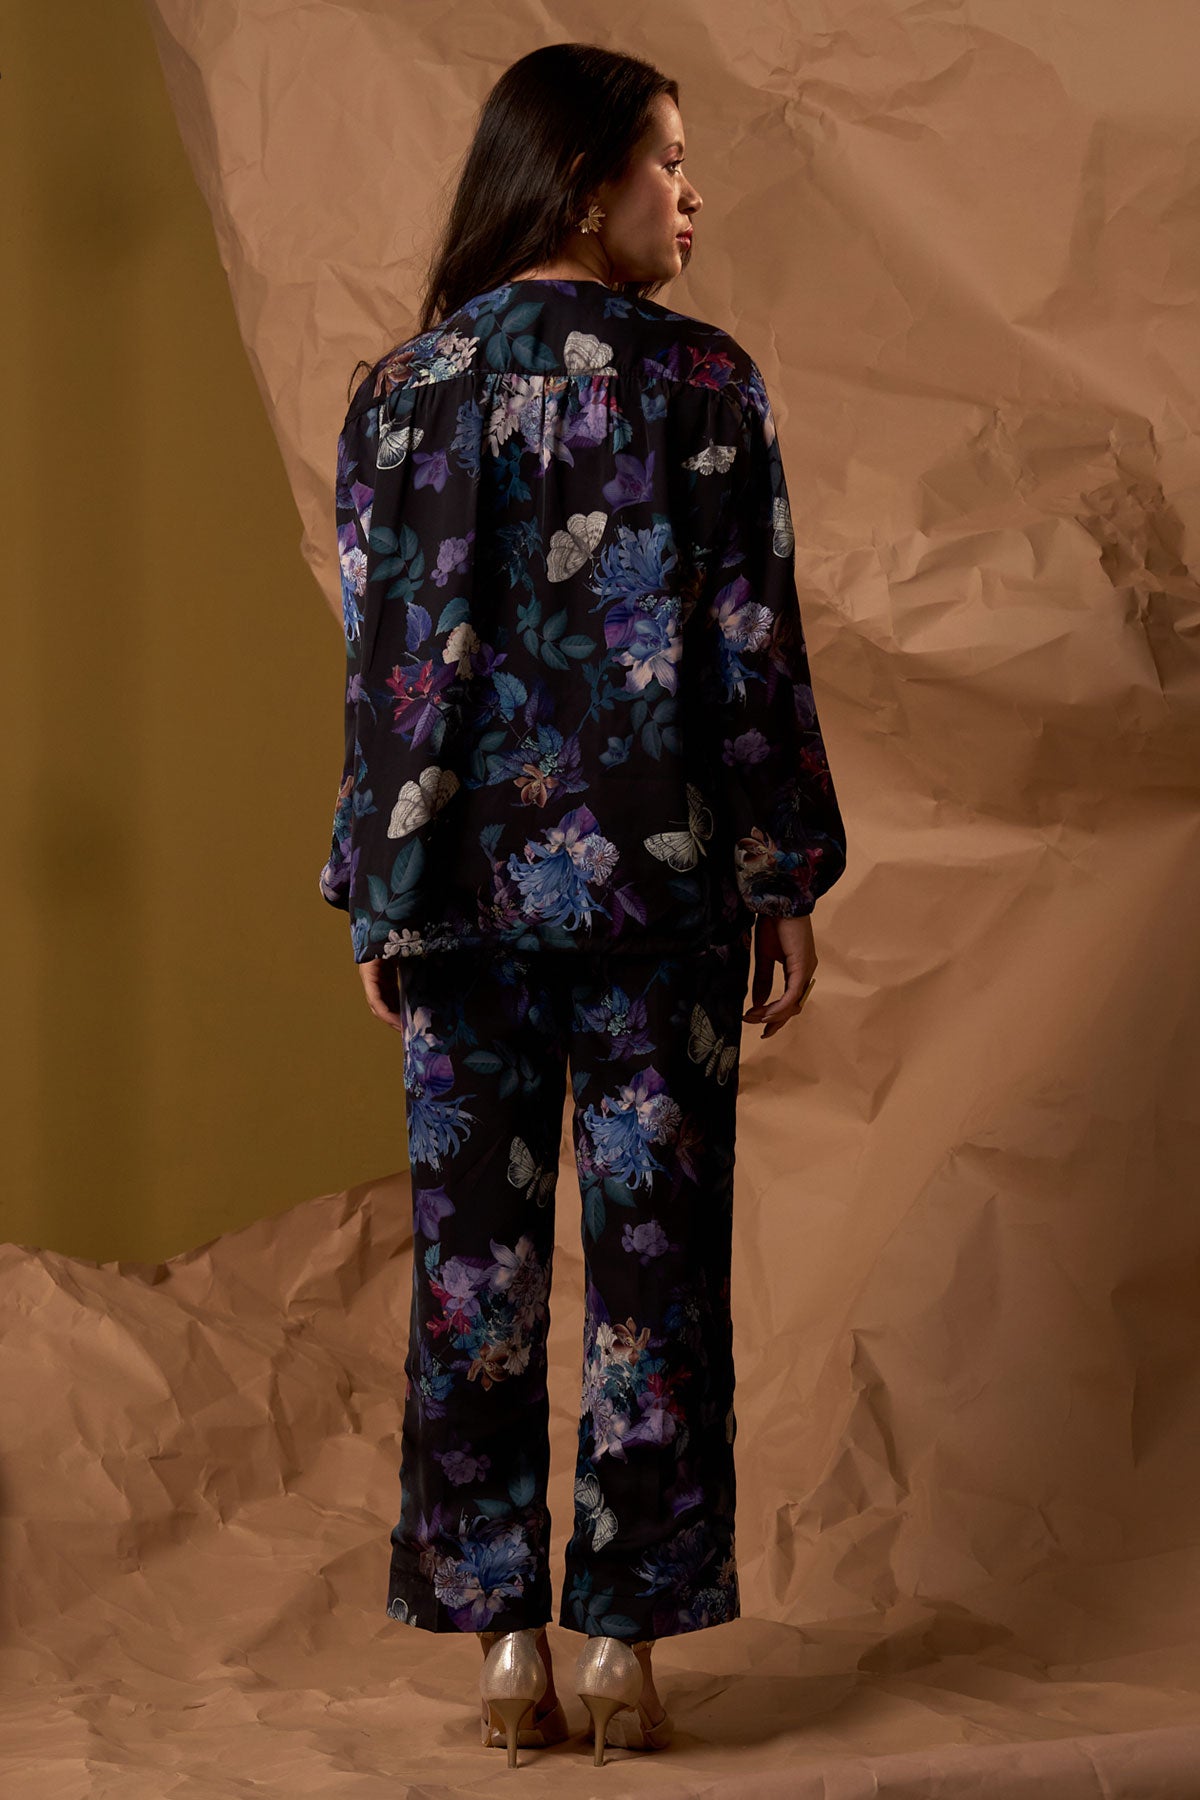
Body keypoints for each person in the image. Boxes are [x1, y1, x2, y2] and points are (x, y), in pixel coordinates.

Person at [318, 42, 848, 1767]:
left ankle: (503, 1648)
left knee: (470, 1280)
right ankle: (620, 1642)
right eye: (667, 161)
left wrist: (377, 888)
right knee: (655, 1274)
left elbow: (381, 662)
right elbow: (749, 649)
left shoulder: (402, 393)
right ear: (580, 178)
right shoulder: (707, 384)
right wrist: (778, 871)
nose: (692, 193)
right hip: (660, 891)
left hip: (457, 896)